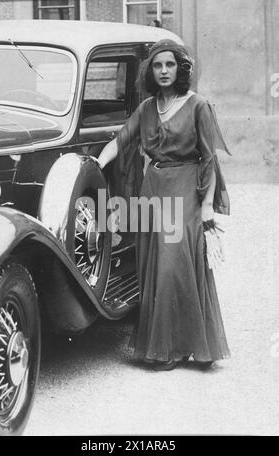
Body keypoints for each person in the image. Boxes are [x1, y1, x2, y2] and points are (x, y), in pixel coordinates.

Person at [96, 39, 230, 371]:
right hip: (152, 189)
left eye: (170, 64)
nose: (164, 71)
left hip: (185, 188)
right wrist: (96, 166)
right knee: (154, 265)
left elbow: (209, 160)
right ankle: (168, 346)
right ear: (151, 71)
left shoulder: (198, 106)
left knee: (174, 264)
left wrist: (208, 205)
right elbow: (121, 141)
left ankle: (177, 347)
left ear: (180, 68)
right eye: (158, 65)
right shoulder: (146, 108)